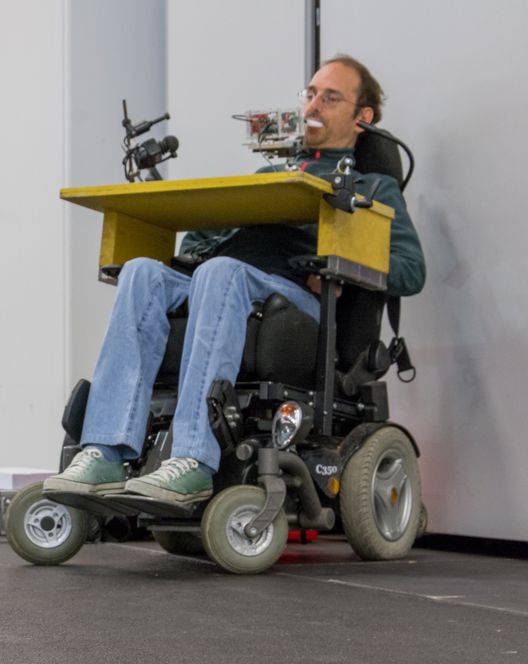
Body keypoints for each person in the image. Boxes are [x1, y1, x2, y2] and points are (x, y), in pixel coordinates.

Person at [43, 55, 426, 506]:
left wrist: (344, 268)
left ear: (363, 117)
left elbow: (410, 269)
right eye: (310, 94)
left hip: (295, 298)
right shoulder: (270, 176)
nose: (313, 105)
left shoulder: (372, 188)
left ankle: (192, 460)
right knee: (142, 271)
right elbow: (197, 242)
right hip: (224, 283)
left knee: (220, 272)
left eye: (330, 96)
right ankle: (104, 450)